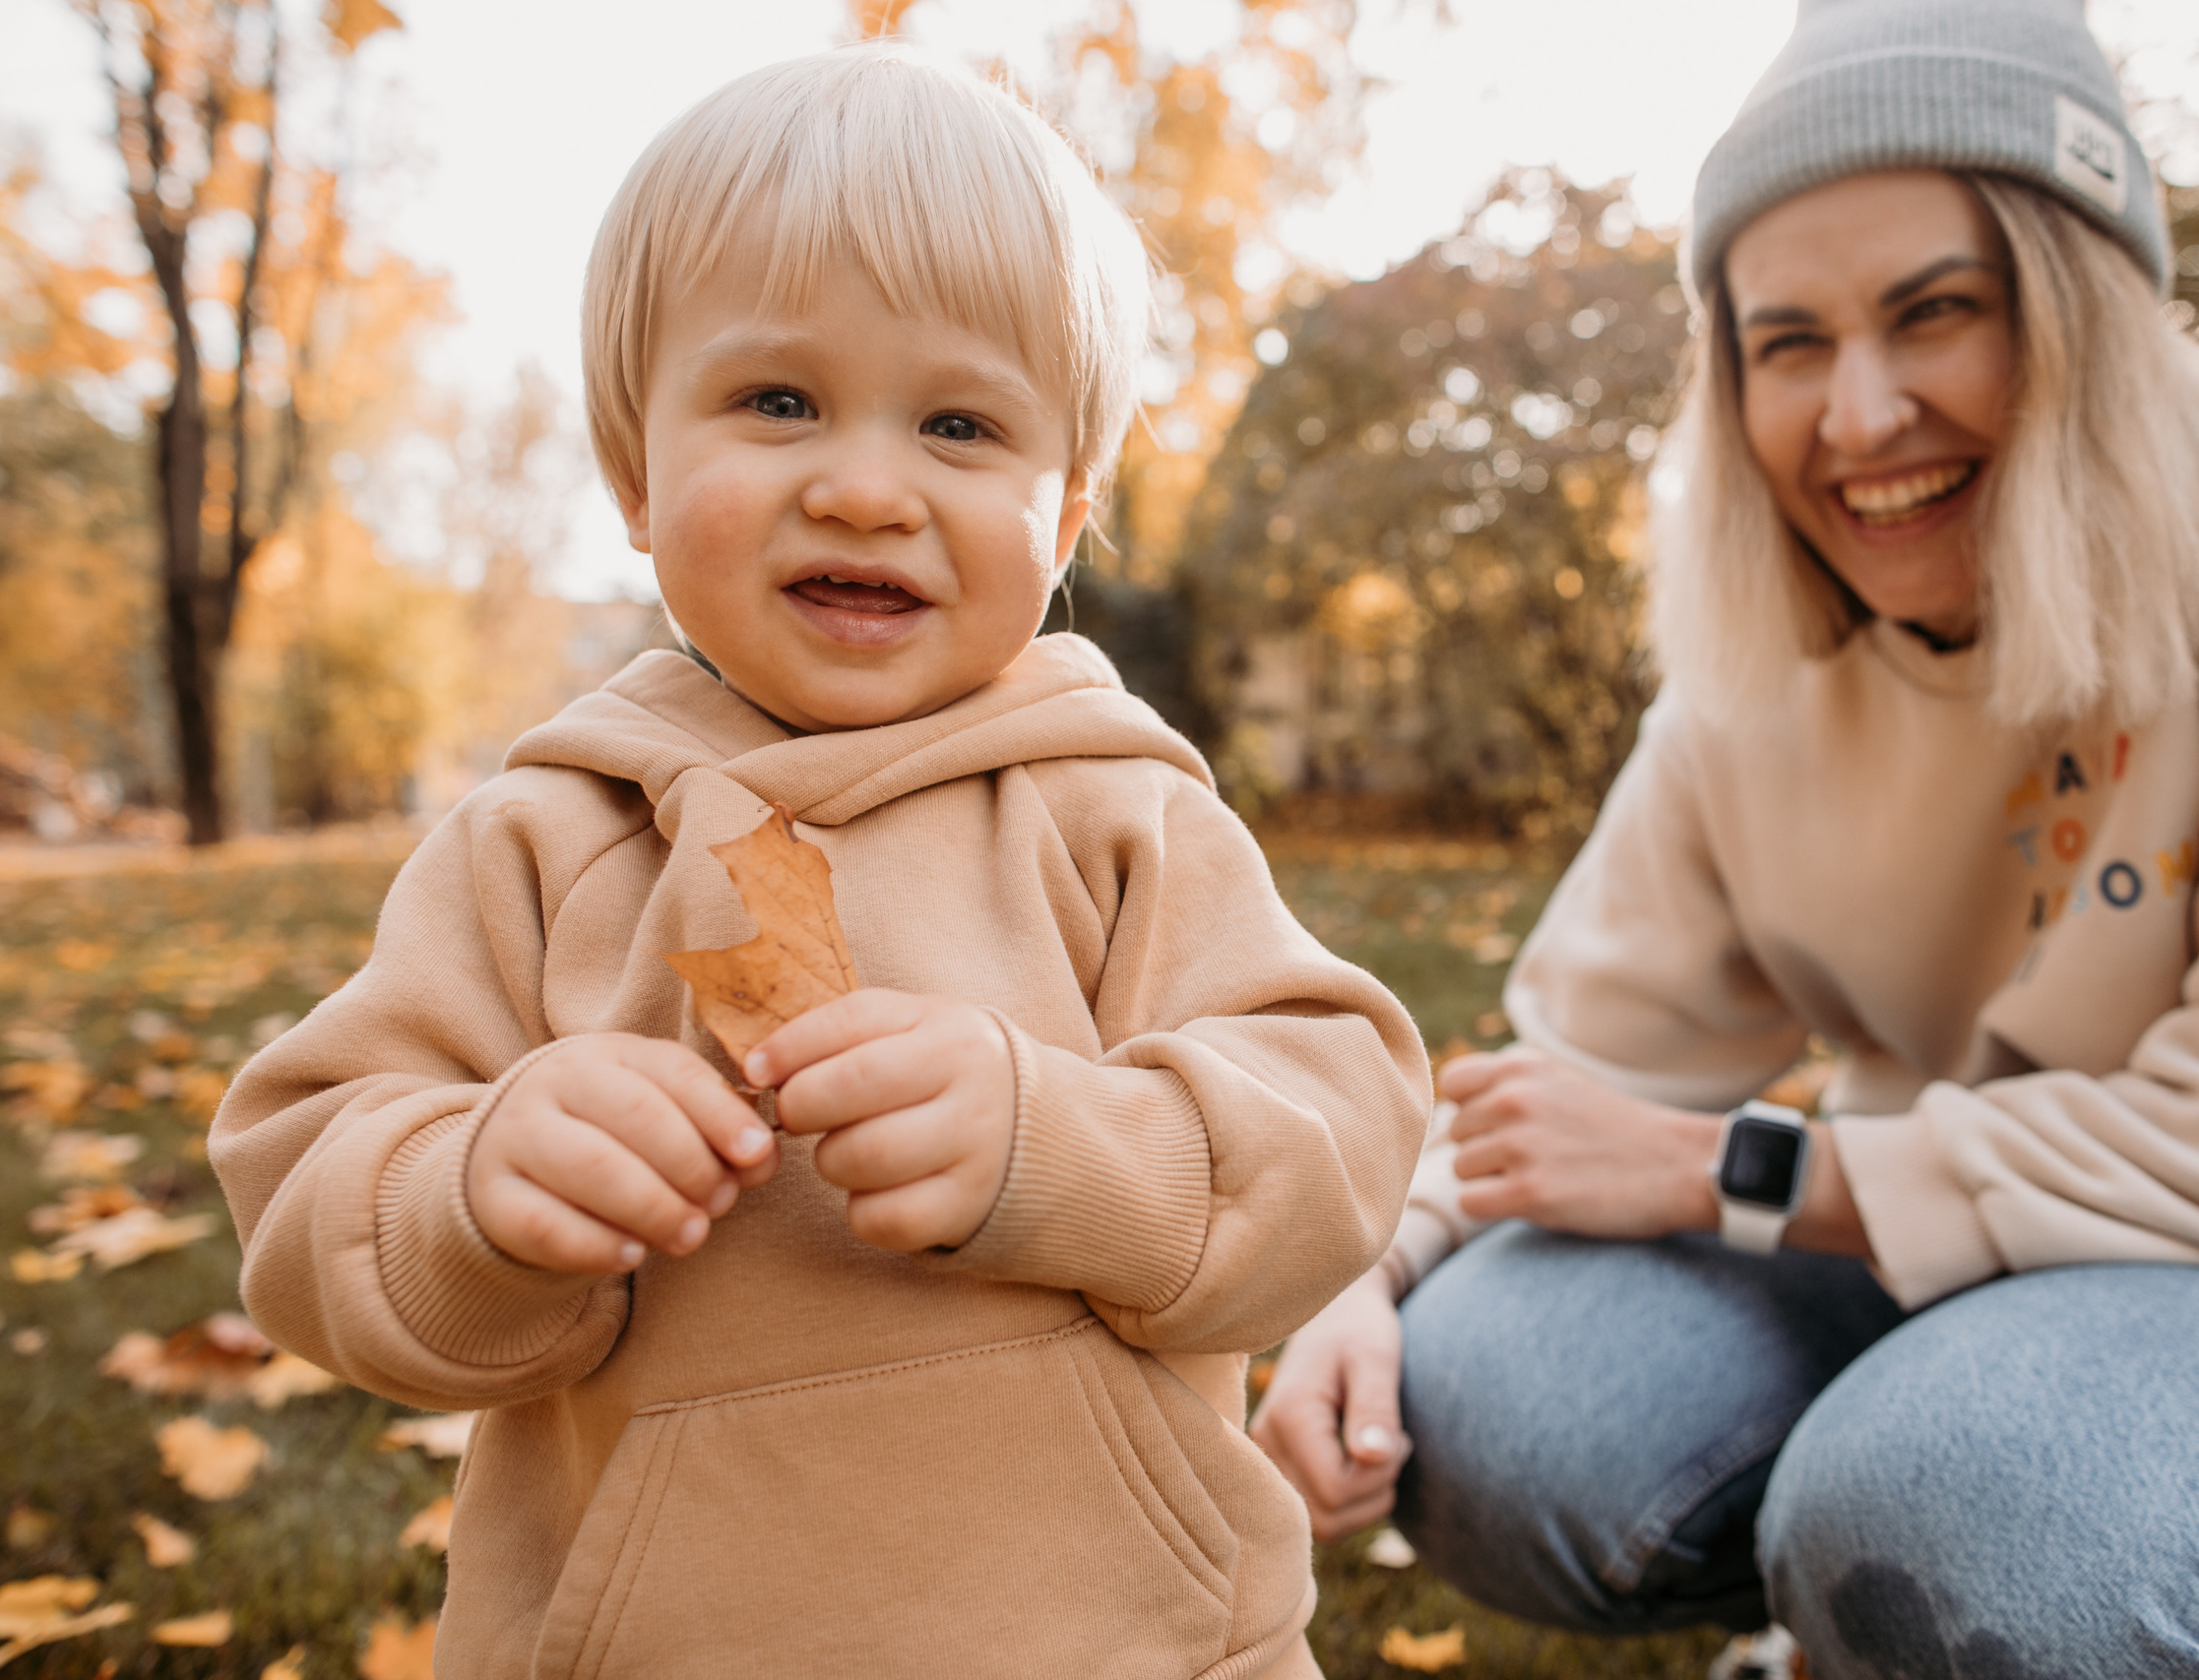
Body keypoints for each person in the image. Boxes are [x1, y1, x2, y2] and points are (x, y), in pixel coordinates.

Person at [1252, 2, 2199, 1673]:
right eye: (1790, 341)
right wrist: (1359, 1273)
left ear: (2085, 303)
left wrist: (1744, 1171)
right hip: (1999, 1266)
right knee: (1501, 1389)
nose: (1863, 414)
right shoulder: (1760, 665)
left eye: (1938, 313)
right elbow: (1572, 1088)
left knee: (1982, 1499)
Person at [212, 46, 1430, 1680]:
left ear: (1064, 513)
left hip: (1130, 1641)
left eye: (958, 423)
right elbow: (308, 1187)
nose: (865, 487)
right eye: (778, 401)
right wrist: (478, 1187)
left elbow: (1338, 1123)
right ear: (637, 474)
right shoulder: (548, 840)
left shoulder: (1112, 814)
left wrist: (1055, 1142)